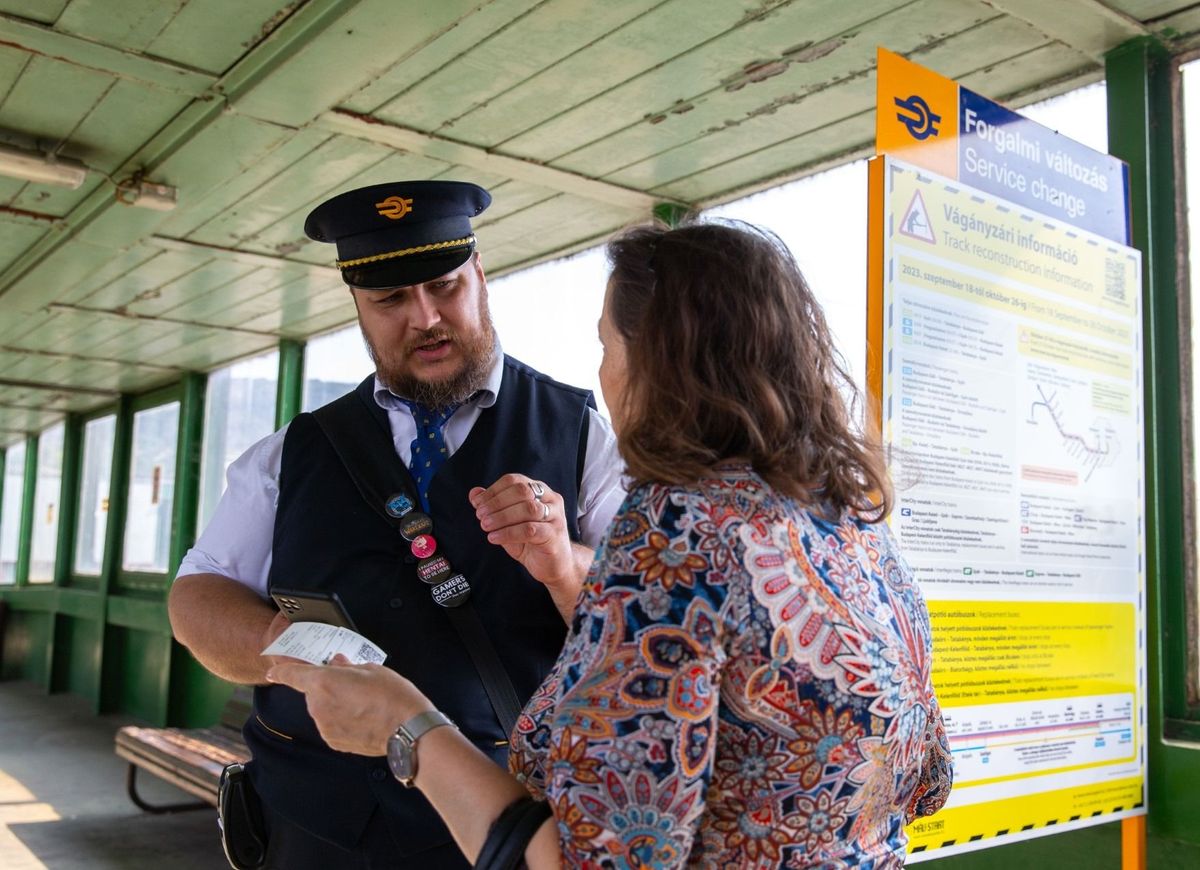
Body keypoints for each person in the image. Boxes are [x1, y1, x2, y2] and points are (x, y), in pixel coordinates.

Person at [269, 219, 954, 868]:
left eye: (607, 347)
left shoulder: (677, 529)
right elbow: (926, 782)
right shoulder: (859, 528)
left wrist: (408, 726)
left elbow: (594, 857)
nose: (603, 373)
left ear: (659, 364)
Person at [168, 180, 626, 869]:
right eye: (390, 300)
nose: (424, 317)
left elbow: (643, 620)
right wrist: (288, 645)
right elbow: (197, 595)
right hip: (310, 823)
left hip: (500, 821)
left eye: (444, 286)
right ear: (357, 305)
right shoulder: (289, 453)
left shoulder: (583, 438)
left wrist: (566, 562)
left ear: (480, 276)